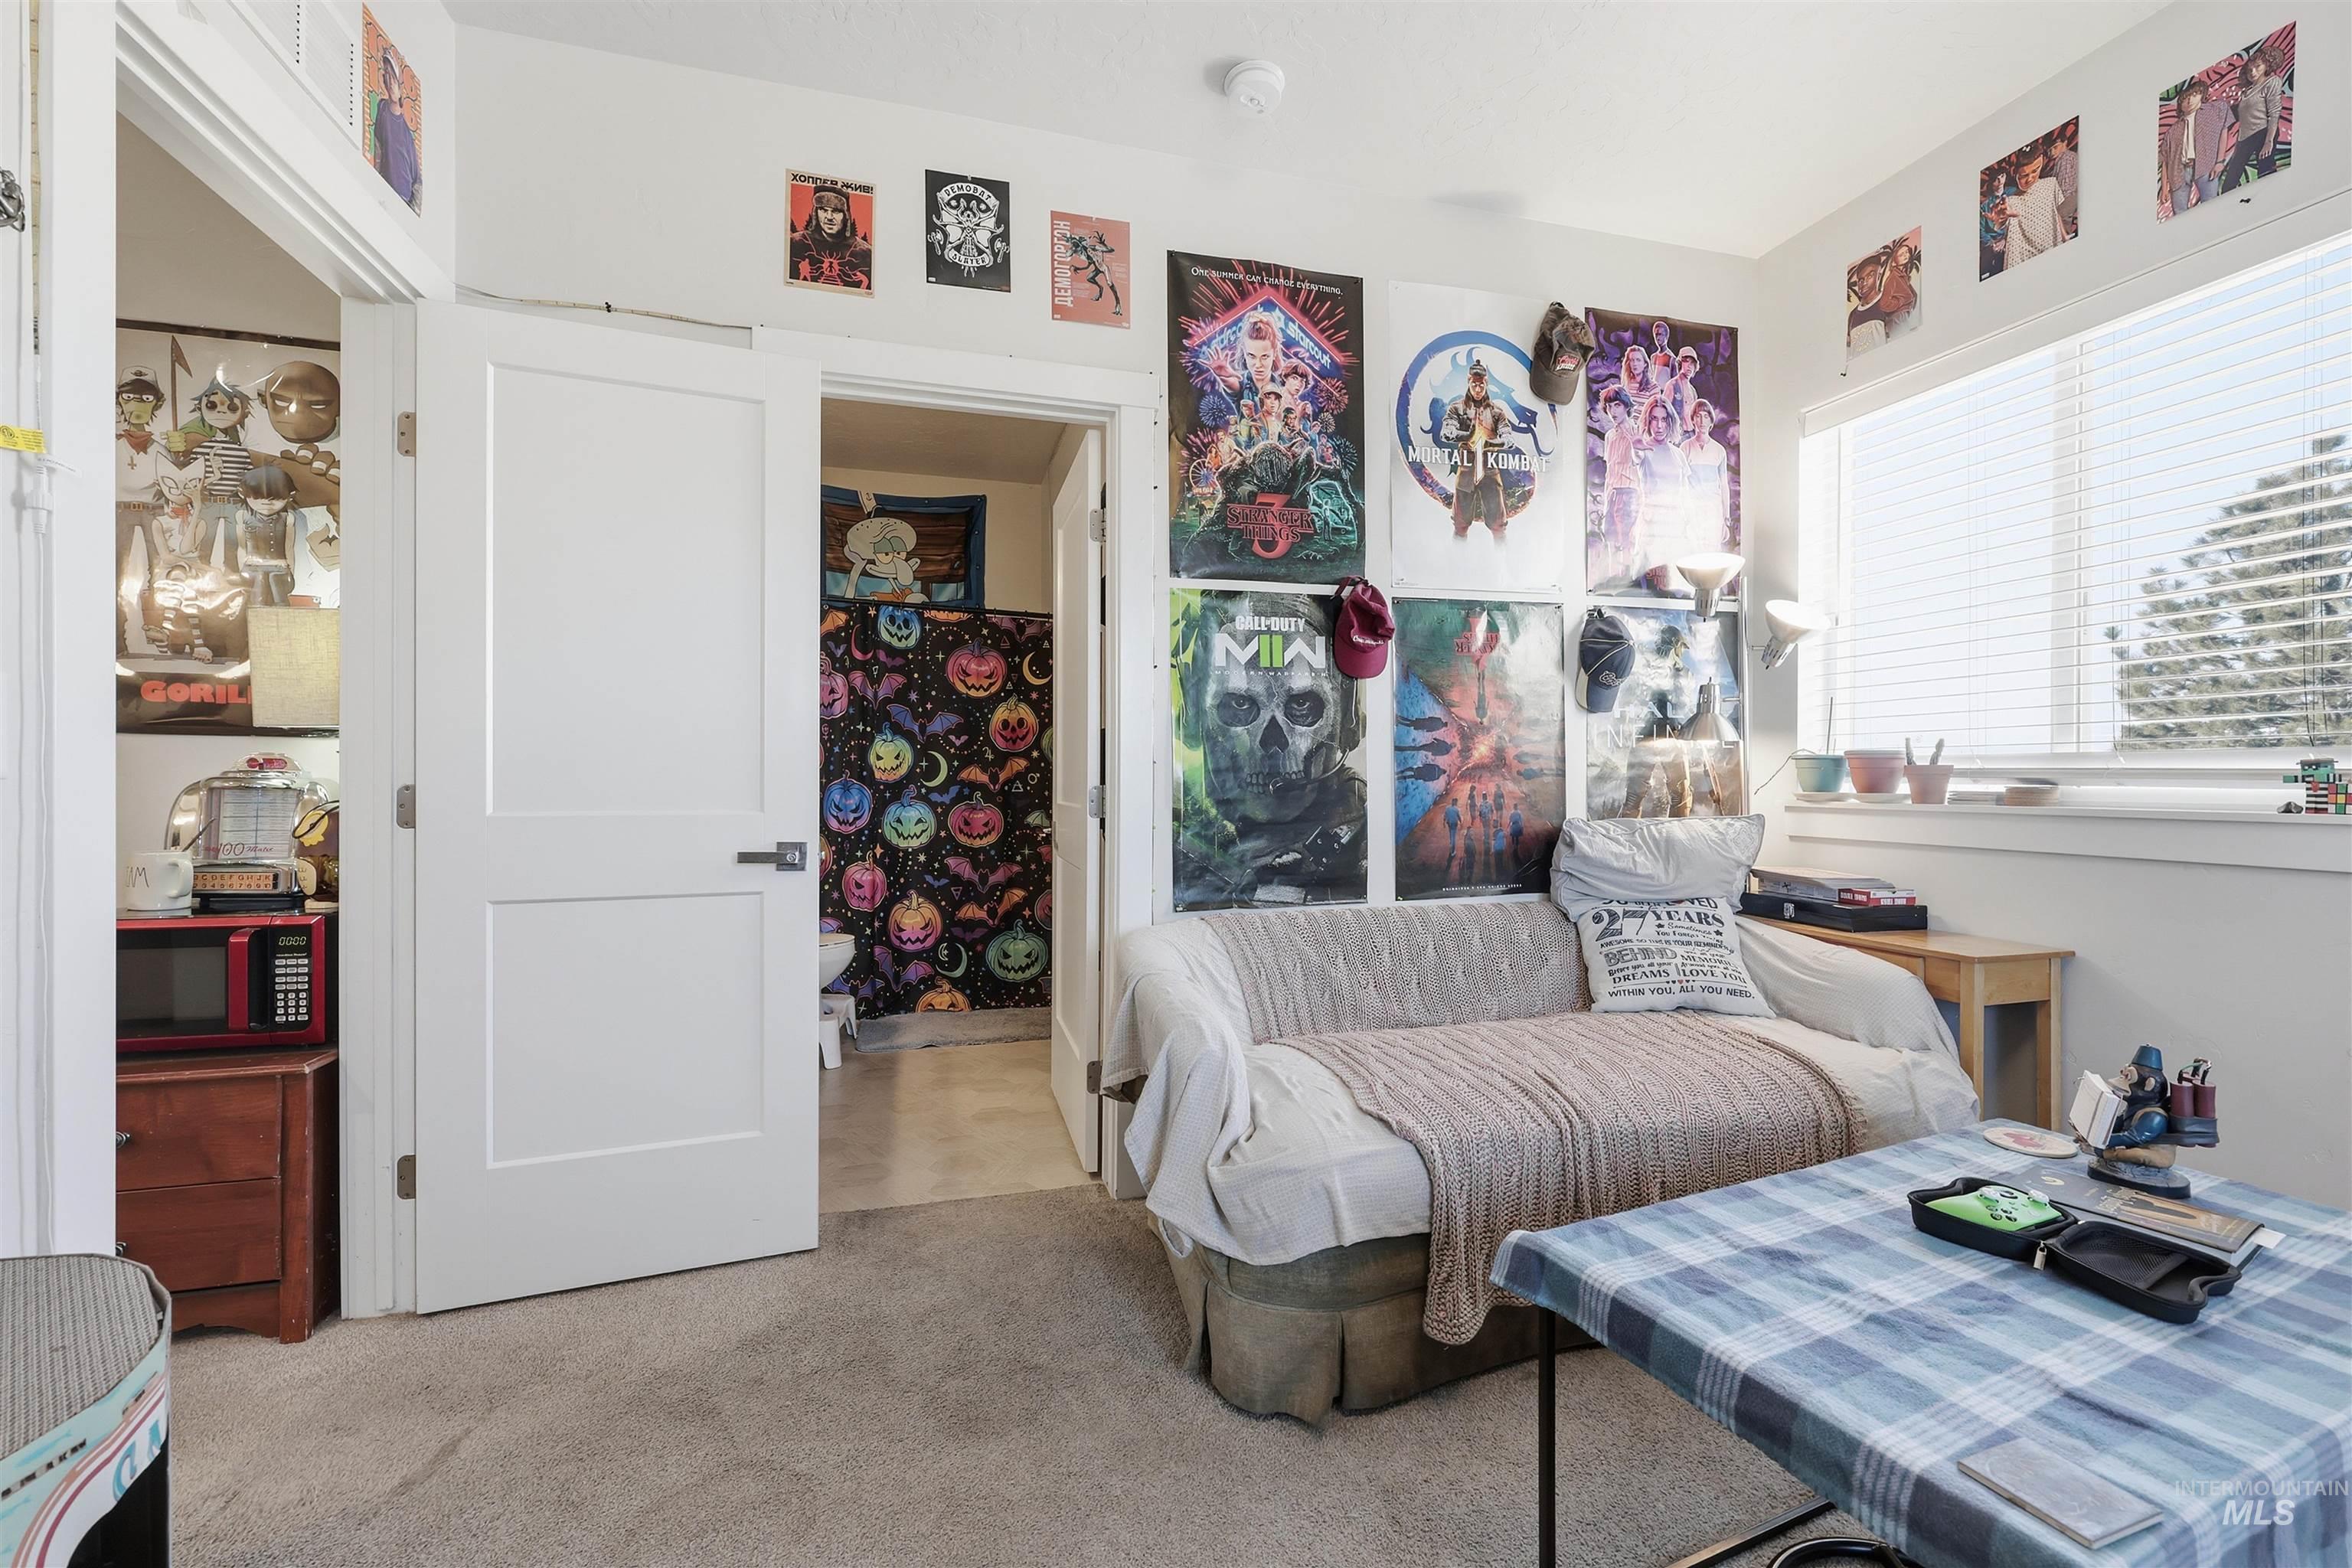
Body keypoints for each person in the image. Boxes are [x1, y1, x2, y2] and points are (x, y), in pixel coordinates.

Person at [1439, 355, 1514, 538]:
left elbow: (1509, 439)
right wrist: (1467, 435)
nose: (1478, 389)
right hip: (1466, 471)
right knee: (1460, 524)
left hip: (1490, 472)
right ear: (1469, 382)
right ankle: (1458, 555)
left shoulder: (1496, 412)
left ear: (1486, 383)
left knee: (1498, 526)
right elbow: (1446, 433)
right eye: (1474, 385)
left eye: (1481, 385)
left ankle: (1503, 555)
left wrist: (1490, 443)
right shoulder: (1457, 409)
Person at [2218, 46, 2287, 191]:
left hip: (2263, 132)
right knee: (2229, 182)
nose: (2253, 72)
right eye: (2250, 69)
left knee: (2266, 173)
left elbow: (2274, 113)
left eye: (2258, 67)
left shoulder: (2271, 82)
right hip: (2244, 138)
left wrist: (2269, 141)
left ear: (2268, 65)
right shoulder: (2247, 92)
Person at [234, 464, 300, 610]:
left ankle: (282, 618)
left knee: (279, 593)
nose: (266, 503)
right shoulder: (242, 516)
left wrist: (291, 572)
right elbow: (242, 547)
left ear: (290, 496)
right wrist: (241, 570)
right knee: (257, 596)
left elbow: (289, 548)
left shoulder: (288, 519)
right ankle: (257, 617)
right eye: (257, 497)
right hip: (252, 567)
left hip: (279, 566)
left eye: (276, 498)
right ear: (242, 493)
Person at [2161, 80, 2226, 215]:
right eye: (2186, 98)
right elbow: (2166, 160)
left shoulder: (2213, 112)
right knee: (2179, 213)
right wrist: (2164, 188)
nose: (2190, 100)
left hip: (2205, 166)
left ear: (2202, 95)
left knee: (2211, 206)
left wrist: (2220, 161)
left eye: (2195, 95)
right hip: (2179, 173)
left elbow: (2223, 131)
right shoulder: (2172, 131)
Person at [1995, 149, 2069, 269]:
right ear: (2016, 174)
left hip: (2051, 248)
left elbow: (2057, 215)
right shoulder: (2011, 201)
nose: (2030, 179)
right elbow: (1999, 225)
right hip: (2022, 259)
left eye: (2035, 171)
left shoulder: (2051, 184)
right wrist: (2001, 218)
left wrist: (2065, 238)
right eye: (2024, 175)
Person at [793, 183, 873, 291]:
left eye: (836, 211)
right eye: (823, 210)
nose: (829, 217)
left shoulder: (866, 253)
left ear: (845, 215)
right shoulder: (795, 243)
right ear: (816, 212)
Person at [1597, 388, 1640, 580]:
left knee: (1627, 540)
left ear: (1626, 406)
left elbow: (1641, 465)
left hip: (1630, 492)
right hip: (1613, 492)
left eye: (1617, 405)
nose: (1613, 411)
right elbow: (1610, 469)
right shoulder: (1610, 436)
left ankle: (1628, 578)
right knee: (1610, 537)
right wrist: (1607, 499)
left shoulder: (1636, 431)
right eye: (1609, 407)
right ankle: (1614, 577)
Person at [370, 50, 421, 209]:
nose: (389, 80)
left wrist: (412, 210)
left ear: (400, 88)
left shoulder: (407, 134)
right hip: (384, 195)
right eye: (386, 74)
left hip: (404, 201)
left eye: (393, 76)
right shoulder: (382, 109)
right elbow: (378, 150)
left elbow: (417, 180)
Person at [1680, 400, 1731, 554]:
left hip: (1713, 510)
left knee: (1712, 552)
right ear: (1693, 419)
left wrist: (1726, 517)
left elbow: (1724, 485)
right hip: (1693, 510)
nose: (1702, 421)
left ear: (1711, 421)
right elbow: (1681, 485)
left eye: (1706, 416)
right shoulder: (1685, 448)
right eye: (1698, 416)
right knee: (1694, 552)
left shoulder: (1719, 451)